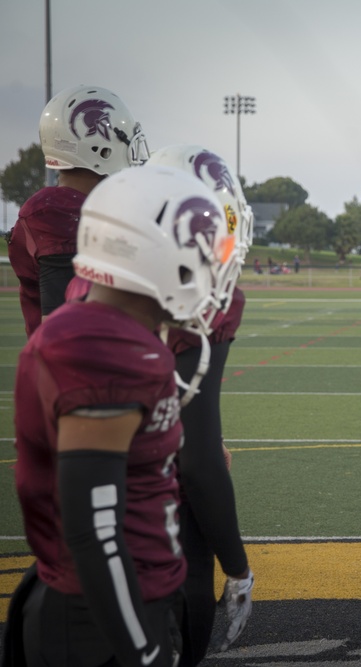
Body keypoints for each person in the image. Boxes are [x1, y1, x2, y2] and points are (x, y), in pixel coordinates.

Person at [4, 165, 230, 667]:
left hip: (120, 598)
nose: (210, 271)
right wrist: (142, 651)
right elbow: (94, 531)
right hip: (97, 621)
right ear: (144, 249)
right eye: (196, 251)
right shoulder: (102, 347)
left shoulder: (115, 328)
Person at [146, 145, 256, 662]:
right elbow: (199, 463)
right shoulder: (207, 298)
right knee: (187, 568)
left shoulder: (82, 292)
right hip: (148, 493)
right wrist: (237, 566)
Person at [7, 84, 149, 338]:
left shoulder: (85, 208)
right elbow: (66, 339)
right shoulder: (57, 213)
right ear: (102, 148)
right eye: (125, 138)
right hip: (79, 373)